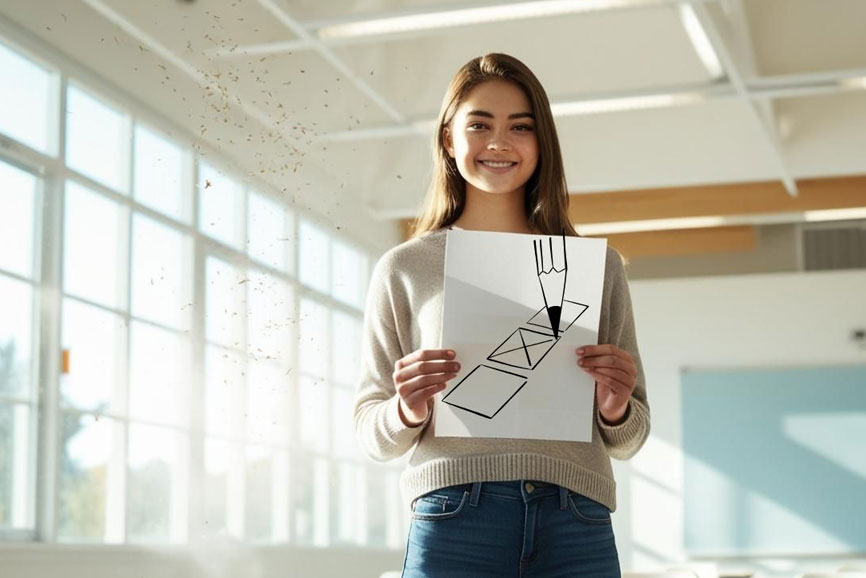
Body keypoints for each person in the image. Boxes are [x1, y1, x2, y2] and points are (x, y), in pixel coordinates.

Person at [353, 53, 650, 578]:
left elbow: (631, 438)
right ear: (449, 139)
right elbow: (371, 433)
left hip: (575, 517)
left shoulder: (595, 269)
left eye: (520, 126)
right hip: (454, 516)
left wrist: (615, 407)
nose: (498, 142)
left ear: (542, 143)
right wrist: (406, 409)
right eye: (479, 125)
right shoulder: (406, 267)